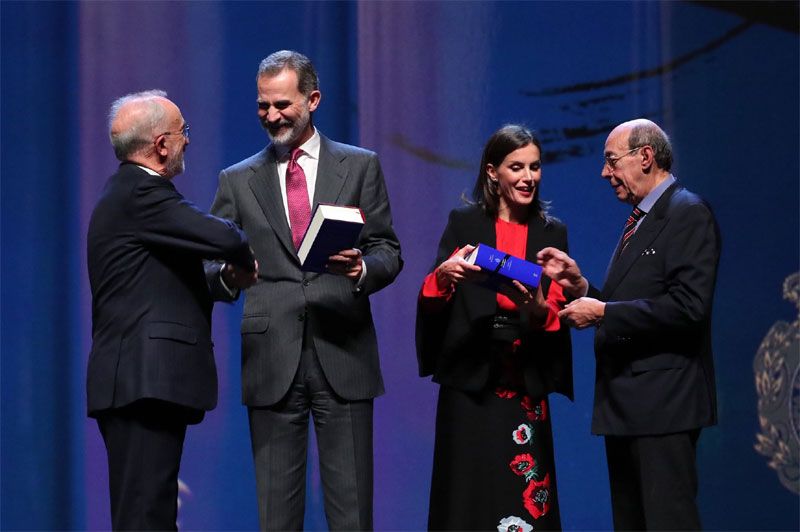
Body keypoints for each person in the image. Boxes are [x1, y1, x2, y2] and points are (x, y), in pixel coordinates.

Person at [205, 50, 402, 530]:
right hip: (272, 358)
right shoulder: (237, 179)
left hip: (344, 350)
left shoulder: (359, 167)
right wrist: (229, 275)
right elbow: (208, 263)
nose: (271, 116)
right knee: (277, 516)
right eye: (262, 106)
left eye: (282, 105)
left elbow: (388, 251)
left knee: (352, 514)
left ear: (312, 99)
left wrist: (361, 269)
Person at [537, 118, 721, 530]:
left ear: (645, 156)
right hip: (628, 406)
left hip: (663, 406)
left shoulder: (686, 212)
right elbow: (636, 303)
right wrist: (581, 285)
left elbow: (688, 308)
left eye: (611, 161)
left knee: (667, 523)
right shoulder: (641, 218)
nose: (605, 173)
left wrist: (602, 313)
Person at [86, 90, 257, 530]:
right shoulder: (144, 192)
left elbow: (160, 281)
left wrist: (225, 277)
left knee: (153, 512)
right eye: (184, 133)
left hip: (137, 383)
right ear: (162, 144)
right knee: (145, 515)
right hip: (142, 382)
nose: (188, 141)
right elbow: (225, 237)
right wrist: (243, 255)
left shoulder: (127, 197)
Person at [415, 125, 573, 531]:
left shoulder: (552, 232)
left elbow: (556, 311)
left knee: (524, 490)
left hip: (522, 380)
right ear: (492, 172)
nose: (527, 177)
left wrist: (537, 306)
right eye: (516, 167)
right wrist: (445, 275)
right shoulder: (464, 223)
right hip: (470, 379)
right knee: (466, 493)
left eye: (534, 167)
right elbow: (433, 295)